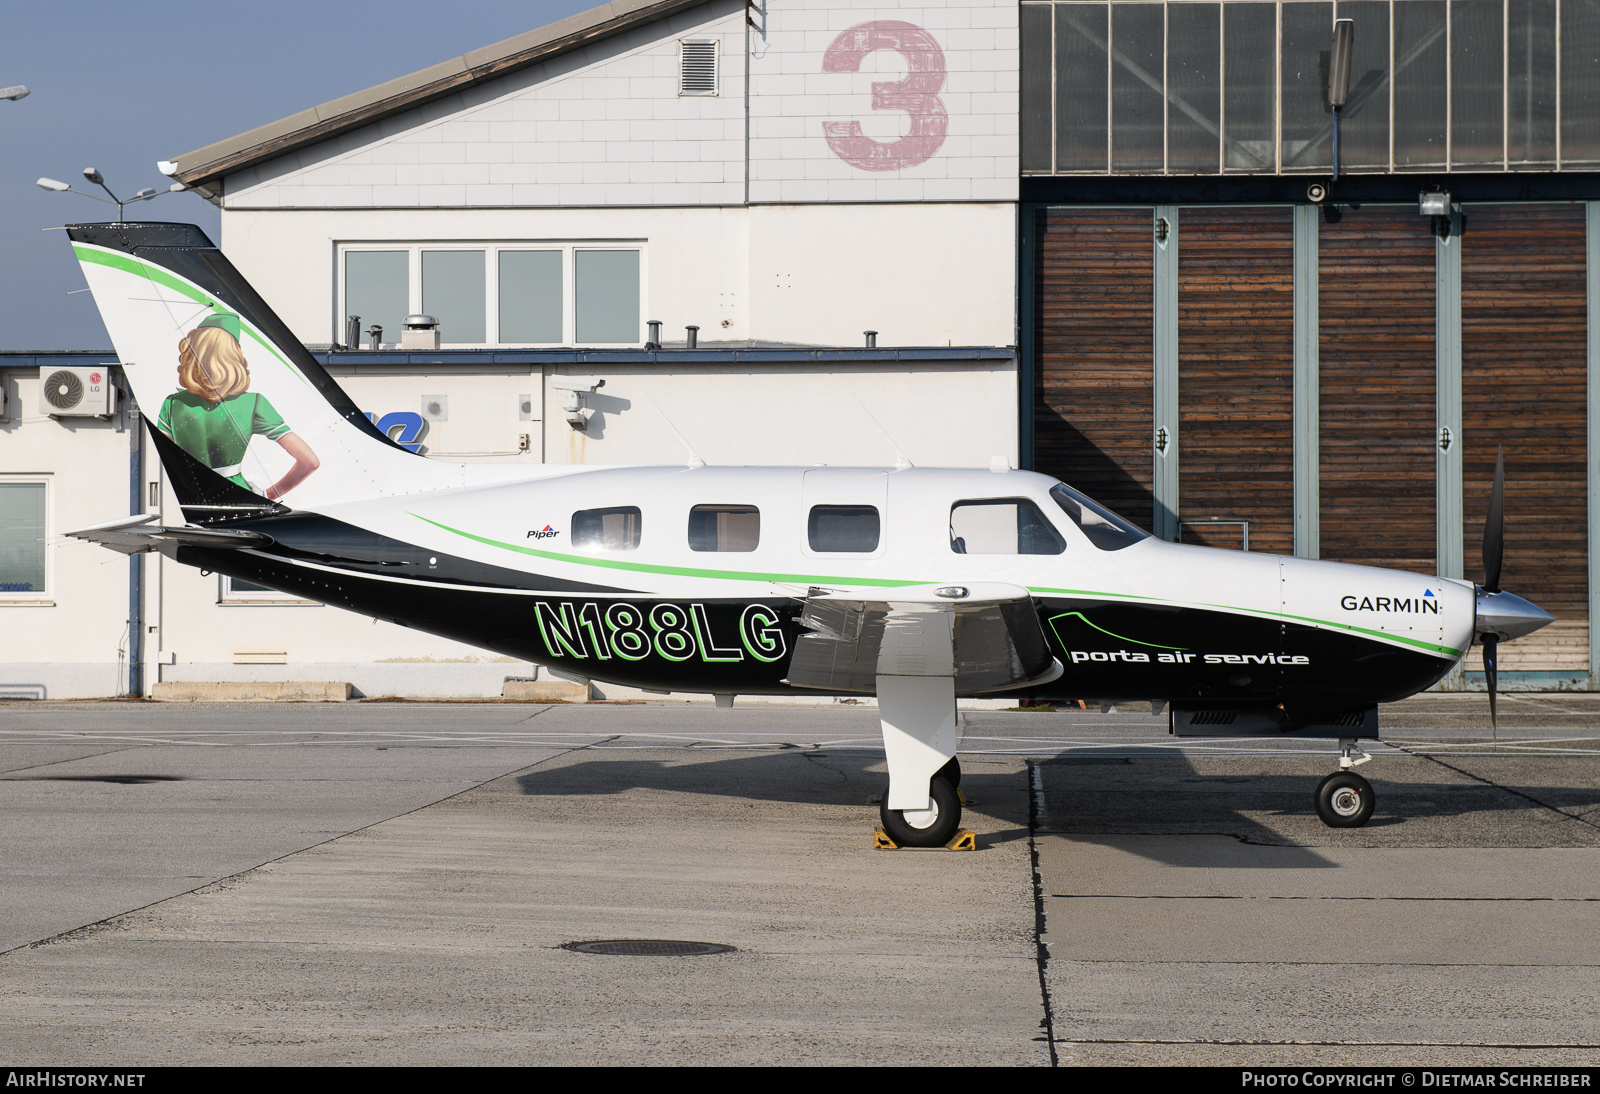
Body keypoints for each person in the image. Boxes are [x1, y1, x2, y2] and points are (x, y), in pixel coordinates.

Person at [157, 312, 319, 501]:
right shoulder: (254, 403)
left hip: (194, 501)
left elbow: (169, 462)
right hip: (239, 498)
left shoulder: (172, 404)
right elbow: (310, 462)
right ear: (233, 354)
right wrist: (268, 494)